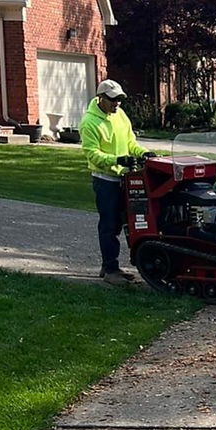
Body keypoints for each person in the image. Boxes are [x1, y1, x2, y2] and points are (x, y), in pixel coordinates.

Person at [80, 79, 155, 284]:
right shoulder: (89, 122)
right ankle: (110, 268)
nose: (117, 104)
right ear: (101, 98)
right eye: (113, 100)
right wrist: (117, 160)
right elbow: (92, 154)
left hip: (124, 178)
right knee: (109, 224)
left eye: (119, 100)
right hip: (105, 180)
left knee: (128, 222)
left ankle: (111, 267)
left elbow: (130, 142)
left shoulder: (120, 115)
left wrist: (145, 153)